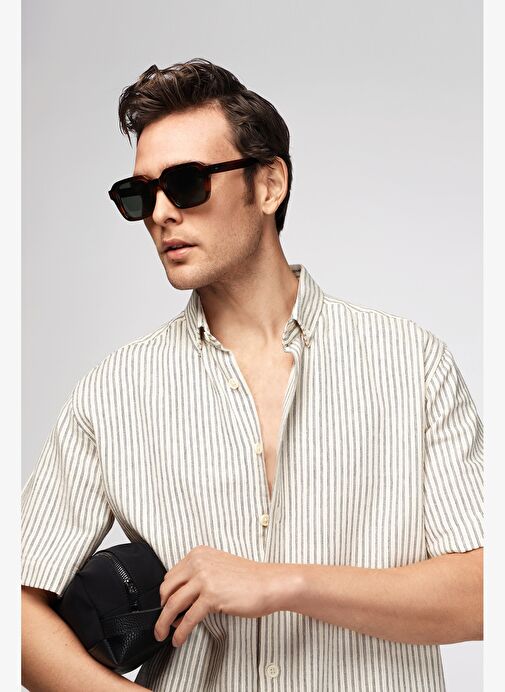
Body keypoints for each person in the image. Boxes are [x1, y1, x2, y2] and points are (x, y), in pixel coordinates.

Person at [21, 58, 483, 692]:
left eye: (186, 183)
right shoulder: (112, 394)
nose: (160, 214)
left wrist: (284, 584)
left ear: (269, 184)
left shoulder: (411, 363)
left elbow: (484, 592)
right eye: (140, 195)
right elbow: (17, 610)